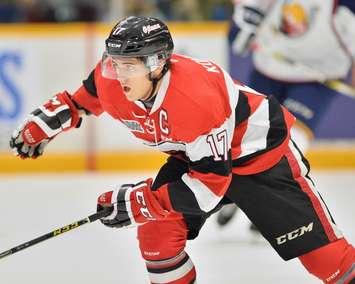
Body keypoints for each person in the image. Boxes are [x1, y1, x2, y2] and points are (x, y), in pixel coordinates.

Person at [9, 16, 355, 283]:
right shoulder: (111, 78)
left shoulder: (194, 98)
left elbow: (210, 186)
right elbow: (84, 99)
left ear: (158, 63)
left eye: (128, 64)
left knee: (329, 264)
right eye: (114, 62)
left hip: (261, 159)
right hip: (199, 158)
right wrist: (50, 122)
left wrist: (140, 200)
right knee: (157, 233)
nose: (117, 72)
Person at [217, 0, 355, 228]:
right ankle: (235, 191)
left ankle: (261, 199)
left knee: (291, 141)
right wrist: (243, 31)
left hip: (317, 78)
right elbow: (238, 36)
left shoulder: (345, 6)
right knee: (246, 136)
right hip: (268, 69)